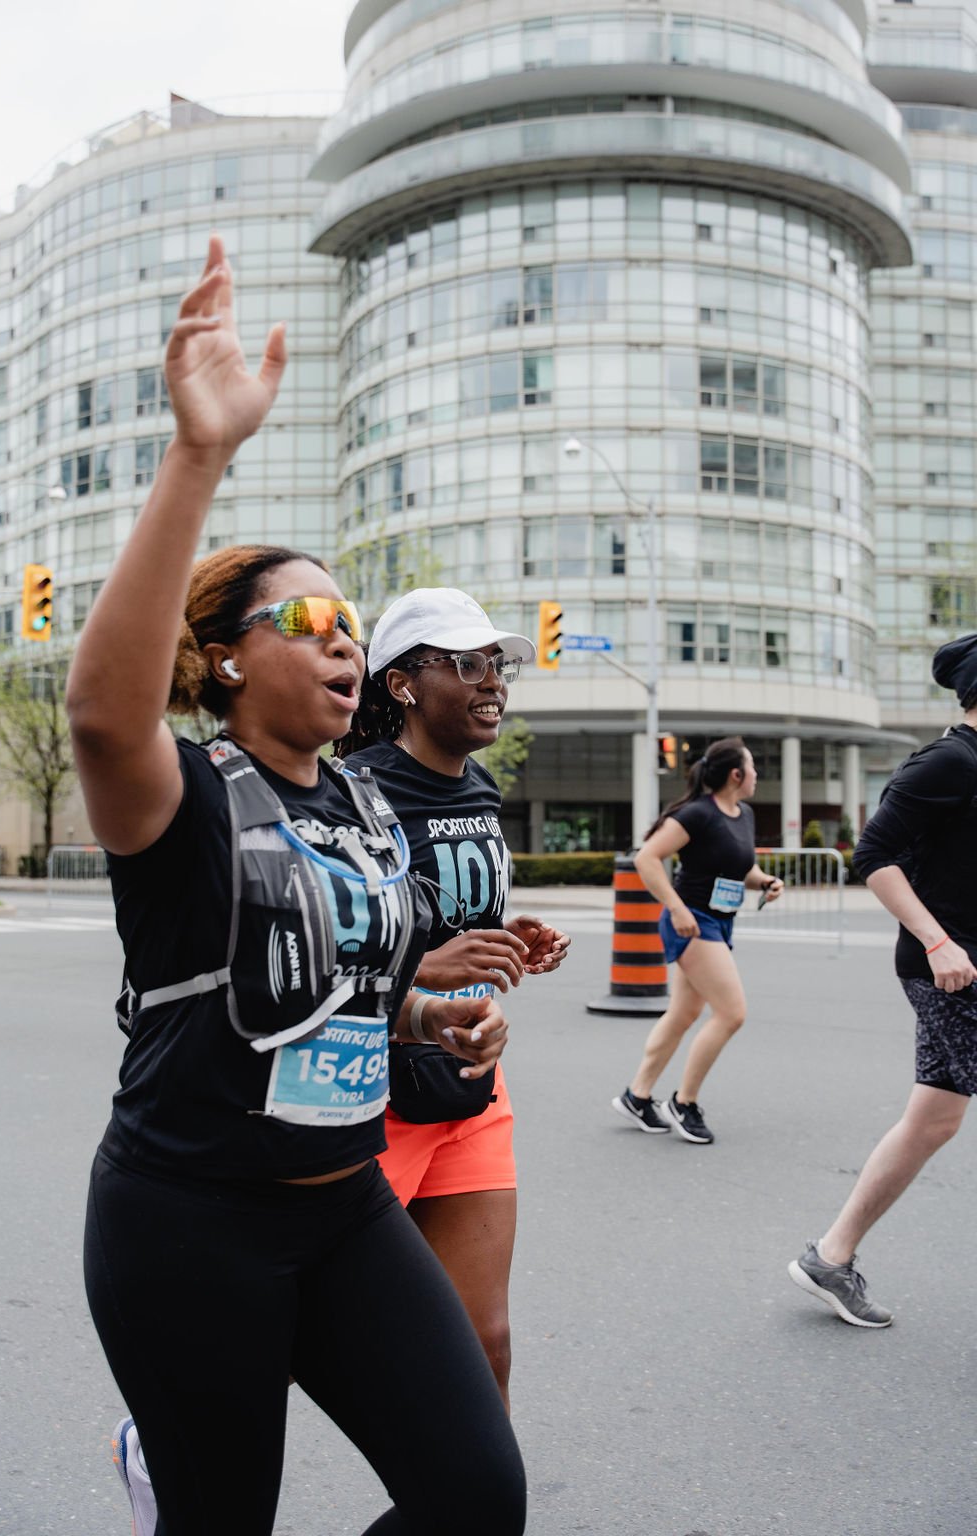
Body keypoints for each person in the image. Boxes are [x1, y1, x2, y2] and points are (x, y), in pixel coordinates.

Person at [69, 236, 526, 1536]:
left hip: (347, 1211)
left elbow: (344, 994)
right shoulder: (183, 798)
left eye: (352, 624)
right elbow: (105, 718)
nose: (344, 642)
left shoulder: (368, 801)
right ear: (224, 666)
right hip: (187, 1226)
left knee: (476, 1497)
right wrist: (198, 453)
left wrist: (430, 1017)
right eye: (308, 624)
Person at [337, 587, 570, 1409]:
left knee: (485, 1337)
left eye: (498, 666)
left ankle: (475, 1505)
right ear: (403, 684)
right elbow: (321, 952)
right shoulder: (351, 794)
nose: (493, 683)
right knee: (311, 1332)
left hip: (472, 1094)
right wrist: (423, 970)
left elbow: (458, 920)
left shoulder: (478, 789)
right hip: (370, 1101)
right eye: (467, 665)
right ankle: (165, 1448)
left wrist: (512, 936)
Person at [788, 635, 977, 1327]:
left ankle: (830, 1258)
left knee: (933, 1120)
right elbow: (873, 854)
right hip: (951, 968)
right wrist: (937, 941)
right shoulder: (948, 760)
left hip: (959, 962)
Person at [610, 736, 783, 1144]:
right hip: (693, 922)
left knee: (684, 1014)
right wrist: (677, 907)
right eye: (753, 767)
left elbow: (739, 866)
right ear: (736, 775)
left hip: (719, 922)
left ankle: (637, 1096)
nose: (757, 774)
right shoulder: (697, 814)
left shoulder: (743, 814)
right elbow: (647, 858)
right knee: (732, 1013)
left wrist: (765, 881)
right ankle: (683, 1103)